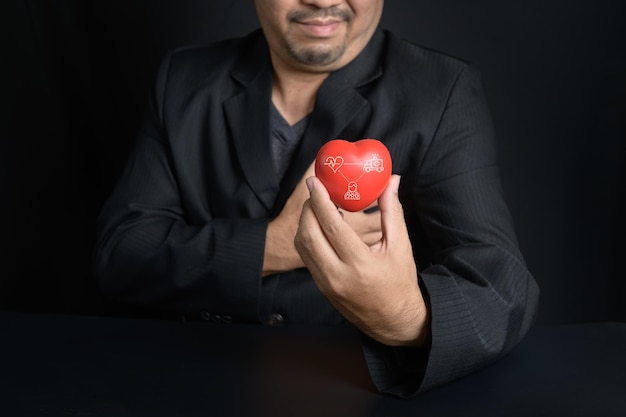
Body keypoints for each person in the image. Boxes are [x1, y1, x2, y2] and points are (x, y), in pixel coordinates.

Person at [94, 0, 540, 398]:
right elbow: (120, 255)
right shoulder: (183, 78)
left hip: (354, 386)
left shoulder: (443, 89)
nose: (322, 1)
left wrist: (402, 316)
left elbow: (501, 289)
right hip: (195, 380)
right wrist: (273, 246)